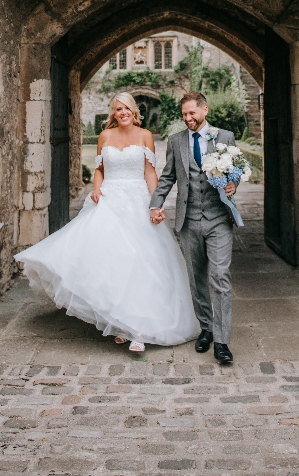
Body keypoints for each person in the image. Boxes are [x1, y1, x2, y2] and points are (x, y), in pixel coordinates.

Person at [14, 92, 199, 353]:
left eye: (126, 108)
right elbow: (99, 169)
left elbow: (149, 171)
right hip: (110, 201)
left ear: (134, 111)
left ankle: (140, 330)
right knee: (113, 263)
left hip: (137, 201)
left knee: (141, 263)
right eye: (117, 109)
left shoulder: (145, 135)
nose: (122, 112)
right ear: (113, 113)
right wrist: (96, 188)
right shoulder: (105, 137)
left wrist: (156, 203)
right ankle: (121, 323)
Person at [149, 92, 239, 364]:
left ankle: (222, 341)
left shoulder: (225, 137)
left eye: (192, 113)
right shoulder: (176, 141)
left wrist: (234, 184)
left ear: (204, 110)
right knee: (196, 277)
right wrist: (155, 204)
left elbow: (235, 171)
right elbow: (168, 176)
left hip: (218, 218)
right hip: (188, 220)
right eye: (184, 114)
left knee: (220, 276)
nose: (188, 119)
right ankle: (207, 328)